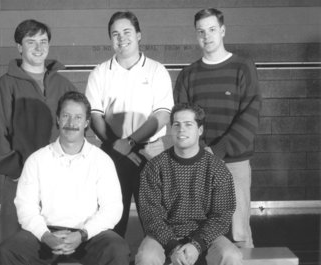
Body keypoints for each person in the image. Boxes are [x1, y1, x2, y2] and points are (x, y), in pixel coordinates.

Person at [0, 91, 130, 265]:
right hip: (45, 235)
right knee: (8, 251)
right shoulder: (37, 159)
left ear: (86, 123)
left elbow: (112, 208)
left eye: (78, 117)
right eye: (66, 116)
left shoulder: (101, 161)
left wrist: (82, 234)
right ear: (58, 119)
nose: (71, 123)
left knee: (117, 250)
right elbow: (25, 206)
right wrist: (45, 235)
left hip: (88, 235)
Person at [0, 19, 76, 243]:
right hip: (21, 177)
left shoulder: (64, 85)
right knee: (16, 242)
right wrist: (15, 171)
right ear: (19, 47)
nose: (38, 47)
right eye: (30, 41)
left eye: (43, 41)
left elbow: (78, 128)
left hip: (60, 177)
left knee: (59, 241)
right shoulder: (6, 85)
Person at [173, 8, 261, 248]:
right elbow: (182, 120)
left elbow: (250, 116)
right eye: (201, 31)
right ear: (195, 35)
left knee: (239, 235)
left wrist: (217, 151)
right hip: (197, 164)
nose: (207, 36)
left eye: (212, 30)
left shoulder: (243, 67)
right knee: (199, 234)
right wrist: (201, 154)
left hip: (234, 163)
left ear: (222, 30)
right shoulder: (187, 75)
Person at [85, 11, 174, 237]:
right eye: (115, 34)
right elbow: (95, 116)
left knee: (155, 222)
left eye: (127, 32)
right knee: (112, 222)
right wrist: (117, 144)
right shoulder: (100, 72)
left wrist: (130, 142)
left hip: (149, 152)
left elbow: (162, 115)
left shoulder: (156, 70)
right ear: (110, 40)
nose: (121, 38)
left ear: (139, 35)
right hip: (112, 153)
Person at [136, 103, 242, 265]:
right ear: (171, 130)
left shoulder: (217, 168)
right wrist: (173, 247)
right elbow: (151, 216)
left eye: (188, 124)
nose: (181, 130)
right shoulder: (154, 167)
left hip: (206, 237)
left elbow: (222, 216)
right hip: (164, 238)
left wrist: (196, 245)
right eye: (176, 125)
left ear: (200, 130)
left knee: (232, 256)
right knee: (146, 257)